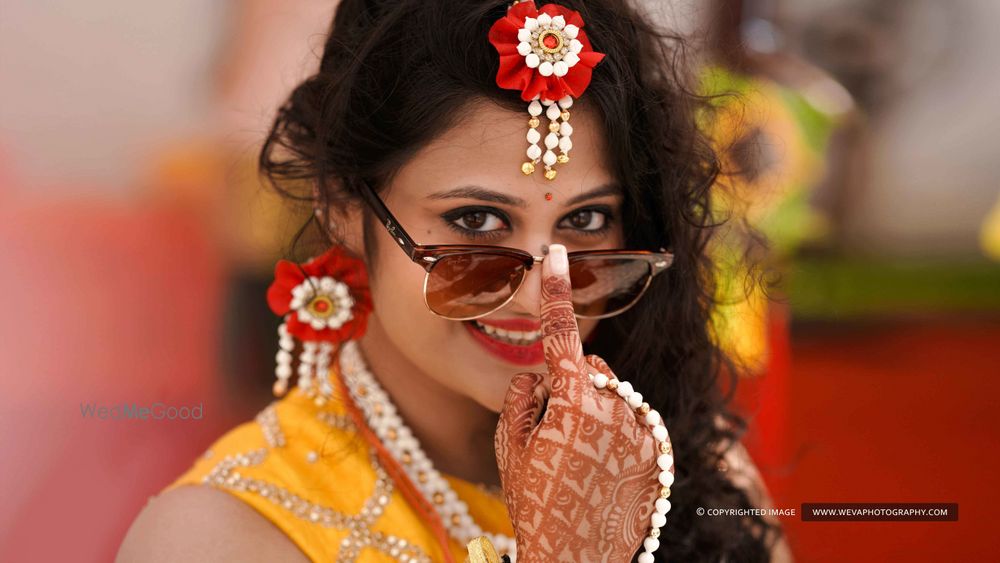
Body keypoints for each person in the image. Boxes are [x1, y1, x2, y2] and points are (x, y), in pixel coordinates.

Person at [118, 0, 793, 561]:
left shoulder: (691, 466)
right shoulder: (219, 537)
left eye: (587, 218)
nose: (540, 295)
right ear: (345, 206)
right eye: (475, 220)